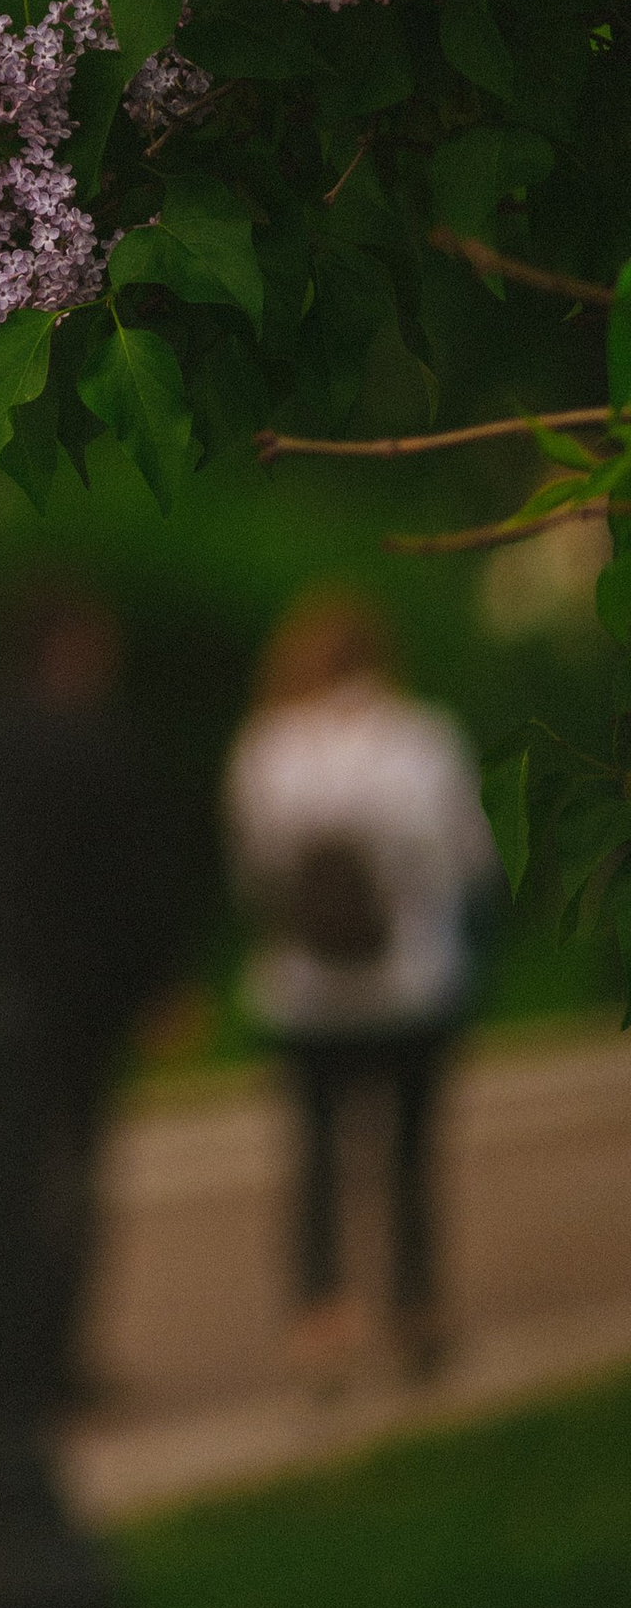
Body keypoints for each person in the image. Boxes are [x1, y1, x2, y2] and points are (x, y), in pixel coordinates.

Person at [224, 591, 499, 1389]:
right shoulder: (424, 740)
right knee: (410, 1152)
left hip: (305, 990)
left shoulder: (268, 748)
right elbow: (471, 859)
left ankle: (321, 1313)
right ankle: (415, 1305)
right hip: (414, 981)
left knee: (316, 1156)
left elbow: (252, 875)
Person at [2, 587, 197, 1413]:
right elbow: (137, 879)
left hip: (4, 999)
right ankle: (56, 1358)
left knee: (11, 1178)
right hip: (84, 1002)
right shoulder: (102, 748)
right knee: (75, 1176)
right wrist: (161, 982)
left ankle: (8, 1355)